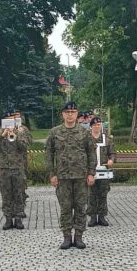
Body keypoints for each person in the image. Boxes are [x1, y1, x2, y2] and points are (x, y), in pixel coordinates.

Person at [45, 101, 96, 249]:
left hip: (81, 176)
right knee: (65, 208)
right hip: (63, 177)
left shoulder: (84, 132)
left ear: (77, 114)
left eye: (73, 112)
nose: (70, 115)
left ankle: (79, 236)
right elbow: (49, 154)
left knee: (80, 207)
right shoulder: (55, 132)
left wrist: (91, 173)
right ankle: (67, 237)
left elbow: (91, 154)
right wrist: (52, 174)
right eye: (67, 112)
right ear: (63, 114)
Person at [0, 109, 30, 230]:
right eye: (7, 121)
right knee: (6, 195)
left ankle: (18, 219)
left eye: (11, 120)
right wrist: (2, 135)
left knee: (18, 194)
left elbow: (25, 147)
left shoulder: (20, 132)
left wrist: (16, 136)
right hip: (3, 169)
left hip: (17, 168)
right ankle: (8, 219)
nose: (9, 123)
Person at [87, 116, 115, 226]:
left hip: (104, 170)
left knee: (103, 194)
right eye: (95, 125)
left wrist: (111, 160)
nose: (97, 126)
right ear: (91, 126)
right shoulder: (87, 139)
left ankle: (102, 216)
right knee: (92, 194)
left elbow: (112, 153)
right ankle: (93, 217)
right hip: (91, 171)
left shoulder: (107, 139)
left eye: (99, 125)